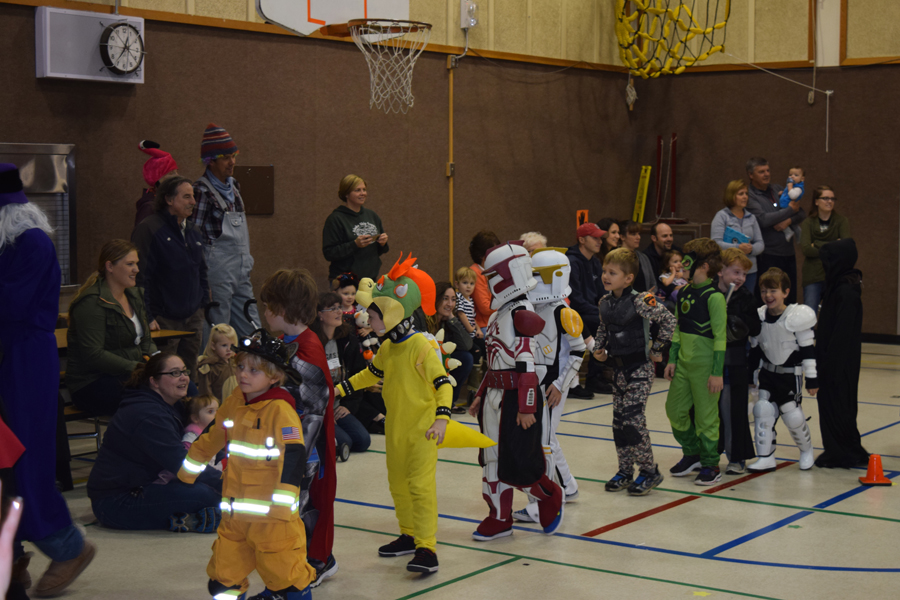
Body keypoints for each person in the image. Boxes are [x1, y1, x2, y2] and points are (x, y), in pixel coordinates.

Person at [0, 164, 96, 597]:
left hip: (23, 362)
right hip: (9, 356)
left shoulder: (31, 243)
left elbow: (11, 304)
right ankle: (11, 559)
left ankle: (67, 546)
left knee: (24, 462)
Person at [334, 254, 450, 574]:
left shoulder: (421, 347)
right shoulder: (389, 348)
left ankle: (427, 548)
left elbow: (444, 384)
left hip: (423, 430)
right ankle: (409, 535)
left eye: (372, 315)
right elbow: (369, 375)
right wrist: (339, 390)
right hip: (396, 429)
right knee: (398, 484)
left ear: (391, 313)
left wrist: (442, 418)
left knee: (420, 488)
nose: (368, 320)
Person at [178, 331, 315, 600]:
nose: (243, 374)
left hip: (273, 520)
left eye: (254, 370)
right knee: (222, 581)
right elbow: (211, 437)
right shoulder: (235, 403)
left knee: (287, 581)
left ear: (274, 376)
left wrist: (283, 504)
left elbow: (294, 455)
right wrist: (186, 473)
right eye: (240, 366)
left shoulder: (280, 411)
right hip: (236, 515)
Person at [469, 242, 564, 542]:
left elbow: (526, 365)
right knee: (491, 459)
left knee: (519, 462)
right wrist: (480, 394)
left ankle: (549, 494)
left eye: (493, 275)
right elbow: (494, 362)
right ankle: (499, 516)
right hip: (494, 396)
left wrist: (526, 407)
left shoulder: (523, 312)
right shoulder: (501, 313)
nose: (490, 282)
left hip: (515, 398)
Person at [259, 269, 337, 588]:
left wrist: (297, 459)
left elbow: (313, 415)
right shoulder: (287, 342)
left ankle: (318, 560)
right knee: (293, 506)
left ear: (283, 309)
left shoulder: (307, 352)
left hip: (310, 451)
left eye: (268, 306)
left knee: (310, 504)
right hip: (291, 445)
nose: (264, 312)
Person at [88, 353, 222, 533]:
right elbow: (182, 463)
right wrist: (225, 483)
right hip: (117, 502)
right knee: (206, 494)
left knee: (211, 488)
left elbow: (202, 440)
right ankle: (199, 517)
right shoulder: (147, 414)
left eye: (184, 371)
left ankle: (192, 518)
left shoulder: (171, 404)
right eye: (174, 373)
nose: (184, 378)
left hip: (146, 486)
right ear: (154, 381)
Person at [513, 247, 587, 524]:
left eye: (539, 275)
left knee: (545, 440)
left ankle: (552, 495)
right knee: (547, 438)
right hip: (540, 383)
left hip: (555, 383)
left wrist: (559, 384)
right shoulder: (534, 306)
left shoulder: (564, 312)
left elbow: (579, 352)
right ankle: (566, 486)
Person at [594, 249, 675, 496]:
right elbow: (603, 328)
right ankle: (625, 471)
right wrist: (598, 348)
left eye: (612, 272)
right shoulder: (605, 302)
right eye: (605, 271)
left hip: (639, 369)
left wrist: (658, 349)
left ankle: (650, 471)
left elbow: (669, 321)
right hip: (617, 370)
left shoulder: (641, 300)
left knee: (632, 420)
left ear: (628, 278)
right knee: (619, 423)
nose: (606, 276)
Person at [66, 239, 157, 415]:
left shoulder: (134, 296)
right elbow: (93, 354)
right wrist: (138, 367)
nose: (136, 269)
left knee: (180, 386)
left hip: (128, 374)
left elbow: (145, 340)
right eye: (130, 264)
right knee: (154, 394)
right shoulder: (92, 303)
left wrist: (160, 361)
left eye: (136, 263)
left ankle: (188, 440)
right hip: (92, 382)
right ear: (110, 266)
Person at [132, 174, 209, 377]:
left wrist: (202, 305)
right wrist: (147, 316)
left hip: (193, 316)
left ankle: (187, 409)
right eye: (186, 197)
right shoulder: (148, 229)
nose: (193, 202)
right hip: (163, 319)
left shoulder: (193, 230)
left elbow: (201, 269)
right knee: (166, 374)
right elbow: (140, 278)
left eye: (193, 196)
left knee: (189, 372)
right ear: (168, 199)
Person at [664, 238, 726, 485]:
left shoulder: (715, 297)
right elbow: (679, 328)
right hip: (684, 366)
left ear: (704, 266)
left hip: (705, 369)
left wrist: (716, 372)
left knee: (706, 418)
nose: (682, 267)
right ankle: (692, 452)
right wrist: (672, 359)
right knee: (675, 410)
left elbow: (720, 337)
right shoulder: (684, 293)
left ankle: (711, 464)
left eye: (687, 262)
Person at [192, 123, 260, 341]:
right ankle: (213, 373)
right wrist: (202, 282)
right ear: (210, 161)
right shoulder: (201, 191)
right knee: (218, 333)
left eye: (233, 156)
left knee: (252, 326)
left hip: (241, 271)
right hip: (217, 275)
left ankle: (255, 370)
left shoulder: (235, 188)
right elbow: (195, 238)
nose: (232, 162)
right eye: (225, 157)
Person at [747, 267, 818, 472]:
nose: (768, 296)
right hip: (767, 374)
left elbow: (807, 351)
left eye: (773, 291)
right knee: (762, 411)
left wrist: (812, 380)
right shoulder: (759, 316)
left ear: (786, 292)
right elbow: (755, 351)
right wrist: (751, 376)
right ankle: (766, 457)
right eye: (763, 291)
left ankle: (806, 450)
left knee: (792, 415)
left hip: (790, 375)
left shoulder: (797, 315)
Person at [814, 239, 869, 468]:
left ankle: (845, 451)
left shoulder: (846, 292)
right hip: (831, 357)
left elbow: (841, 335)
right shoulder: (837, 286)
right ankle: (838, 449)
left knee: (840, 404)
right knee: (832, 403)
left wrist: (829, 365)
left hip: (839, 361)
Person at [310, 292, 374, 453]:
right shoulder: (311, 341)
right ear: (320, 315)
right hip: (319, 409)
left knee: (362, 441)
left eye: (339, 307)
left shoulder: (347, 339)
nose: (339, 311)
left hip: (339, 404)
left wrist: (348, 405)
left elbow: (357, 375)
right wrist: (325, 413)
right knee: (344, 442)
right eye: (333, 308)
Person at [715, 249, 760, 474]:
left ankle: (736, 457)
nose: (740, 278)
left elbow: (756, 326)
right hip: (708, 362)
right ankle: (708, 454)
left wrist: (737, 323)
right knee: (708, 412)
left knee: (732, 410)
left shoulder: (746, 297)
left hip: (734, 363)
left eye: (744, 274)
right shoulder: (710, 294)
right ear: (721, 271)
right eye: (736, 272)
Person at [745, 157, 806, 304]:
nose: (766, 174)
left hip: (788, 253)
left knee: (789, 299)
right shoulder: (750, 195)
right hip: (767, 255)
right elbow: (764, 219)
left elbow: (802, 213)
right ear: (751, 175)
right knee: (768, 300)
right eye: (761, 172)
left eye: (768, 170)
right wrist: (790, 210)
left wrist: (788, 221)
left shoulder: (778, 189)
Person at [566, 222, 609, 395]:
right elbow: (575, 298)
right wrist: (599, 313)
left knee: (610, 322)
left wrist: (606, 309)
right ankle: (589, 379)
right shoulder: (572, 262)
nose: (599, 241)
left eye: (600, 238)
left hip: (590, 310)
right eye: (595, 237)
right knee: (601, 324)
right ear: (582, 240)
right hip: (575, 312)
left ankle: (595, 378)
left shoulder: (595, 263)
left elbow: (601, 293)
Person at [322, 174, 389, 281]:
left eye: (364, 189)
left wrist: (382, 243)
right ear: (346, 194)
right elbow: (329, 253)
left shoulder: (372, 216)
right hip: (345, 282)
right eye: (357, 190)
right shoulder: (336, 219)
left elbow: (377, 251)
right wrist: (355, 245)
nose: (363, 193)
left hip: (369, 279)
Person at [799, 186, 850, 313]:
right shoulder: (808, 223)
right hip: (813, 275)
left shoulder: (841, 221)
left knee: (833, 315)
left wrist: (816, 244)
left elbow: (845, 249)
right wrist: (834, 245)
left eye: (832, 198)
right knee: (809, 314)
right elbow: (806, 250)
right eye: (825, 198)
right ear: (816, 202)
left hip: (834, 276)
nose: (830, 201)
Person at [426, 282, 475, 412]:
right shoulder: (424, 317)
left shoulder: (448, 322)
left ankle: (448, 401)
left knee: (466, 358)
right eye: (445, 298)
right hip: (423, 363)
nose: (450, 304)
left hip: (441, 362)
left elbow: (467, 345)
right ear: (436, 298)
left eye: (453, 300)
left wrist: (452, 318)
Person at [711, 180, 765, 293]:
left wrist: (751, 249)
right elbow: (715, 243)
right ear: (731, 196)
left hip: (749, 271)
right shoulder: (721, 216)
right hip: (728, 270)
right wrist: (738, 248)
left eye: (746, 194)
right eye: (741, 194)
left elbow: (760, 243)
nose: (745, 197)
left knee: (746, 302)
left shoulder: (751, 217)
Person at [133, 140, 178, 233]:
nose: (177, 176)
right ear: (157, 178)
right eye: (171, 173)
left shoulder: (167, 202)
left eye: (176, 172)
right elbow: (141, 239)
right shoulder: (149, 207)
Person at [196, 323, 238, 402]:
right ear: (213, 346)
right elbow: (205, 394)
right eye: (224, 345)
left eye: (232, 345)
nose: (229, 349)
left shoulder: (236, 363)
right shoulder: (209, 368)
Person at [468, 230, 501, 334]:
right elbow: (486, 308)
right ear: (482, 254)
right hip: (483, 327)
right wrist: (505, 304)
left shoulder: (492, 271)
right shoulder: (475, 272)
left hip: (494, 323)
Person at [619, 220, 655, 292]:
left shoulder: (643, 257)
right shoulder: (616, 258)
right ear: (622, 237)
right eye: (633, 234)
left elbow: (653, 283)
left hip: (646, 298)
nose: (638, 237)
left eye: (639, 234)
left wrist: (651, 294)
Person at [778, 166, 805, 242]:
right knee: (793, 225)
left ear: (802, 179)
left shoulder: (799, 188)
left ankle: (788, 232)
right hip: (785, 206)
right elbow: (788, 193)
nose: (792, 177)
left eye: (796, 175)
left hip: (788, 208)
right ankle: (798, 232)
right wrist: (783, 193)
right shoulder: (792, 186)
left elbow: (793, 195)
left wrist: (790, 187)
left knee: (779, 218)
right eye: (790, 175)